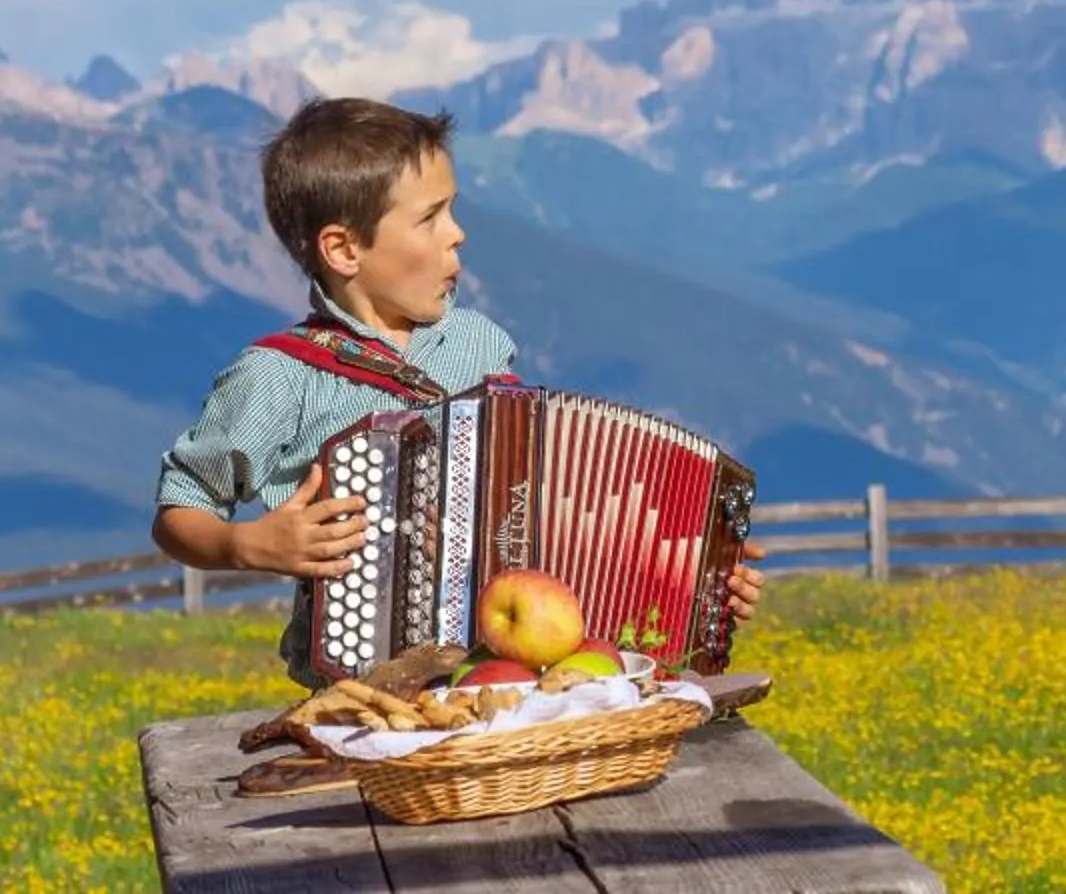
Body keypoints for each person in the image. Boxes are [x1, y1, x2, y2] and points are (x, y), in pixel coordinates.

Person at [152, 96, 765, 685]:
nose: (458, 234)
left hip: (502, 671)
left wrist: (695, 581)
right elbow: (180, 507)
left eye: (453, 210)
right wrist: (246, 544)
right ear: (344, 249)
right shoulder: (278, 375)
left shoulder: (480, 343)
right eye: (431, 218)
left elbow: (546, 517)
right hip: (363, 698)